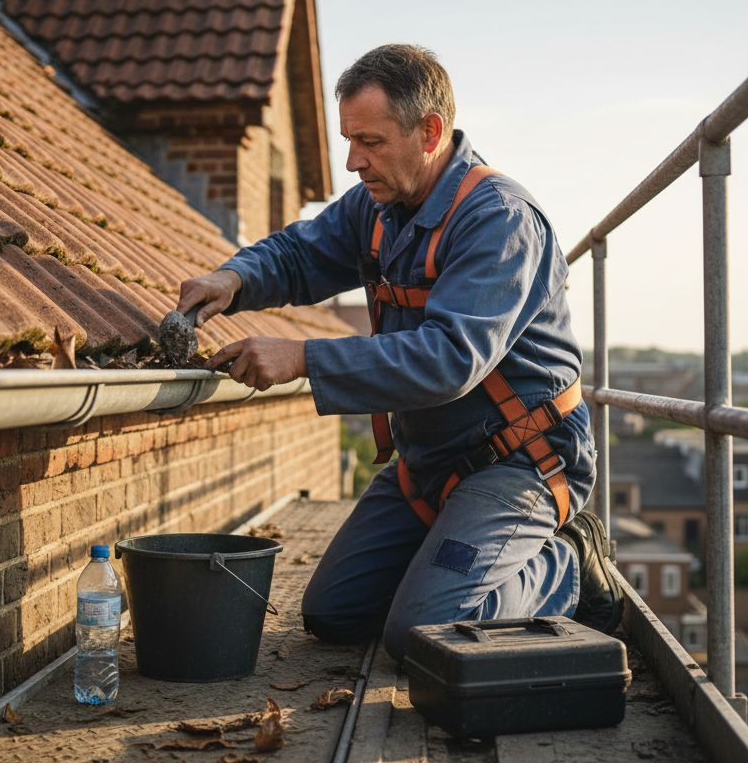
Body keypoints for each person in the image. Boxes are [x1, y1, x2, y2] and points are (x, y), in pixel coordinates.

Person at [176, 44, 621, 661]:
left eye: (371, 142)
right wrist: (236, 280)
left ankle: (567, 567)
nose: (354, 162)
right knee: (333, 613)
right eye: (348, 141)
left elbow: (448, 359)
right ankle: (450, 564)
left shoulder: (501, 221)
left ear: (430, 131)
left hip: (518, 463)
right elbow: (302, 252)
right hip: (429, 460)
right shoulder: (379, 204)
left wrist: (303, 358)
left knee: (422, 634)